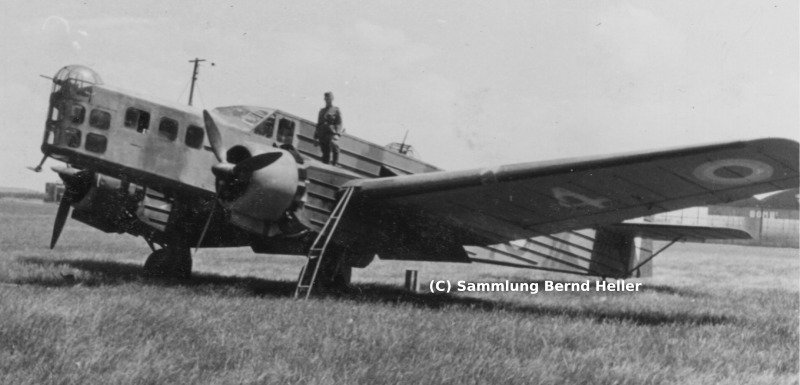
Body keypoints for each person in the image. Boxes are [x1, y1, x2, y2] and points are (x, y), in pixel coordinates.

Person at [314, 92, 342, 166]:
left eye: (329, 99)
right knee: (325, 154)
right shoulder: (322, 111)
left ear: (332, 99)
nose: (328, 100)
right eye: (326, 99)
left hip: (331, 133)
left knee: (335, 146)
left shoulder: (336, 110)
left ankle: (335, 164)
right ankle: (326, 166)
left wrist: (337, 134)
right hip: (322, 134)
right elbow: (318, 124)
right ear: (324, 99)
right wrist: (316, 137)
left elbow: (339, 123)